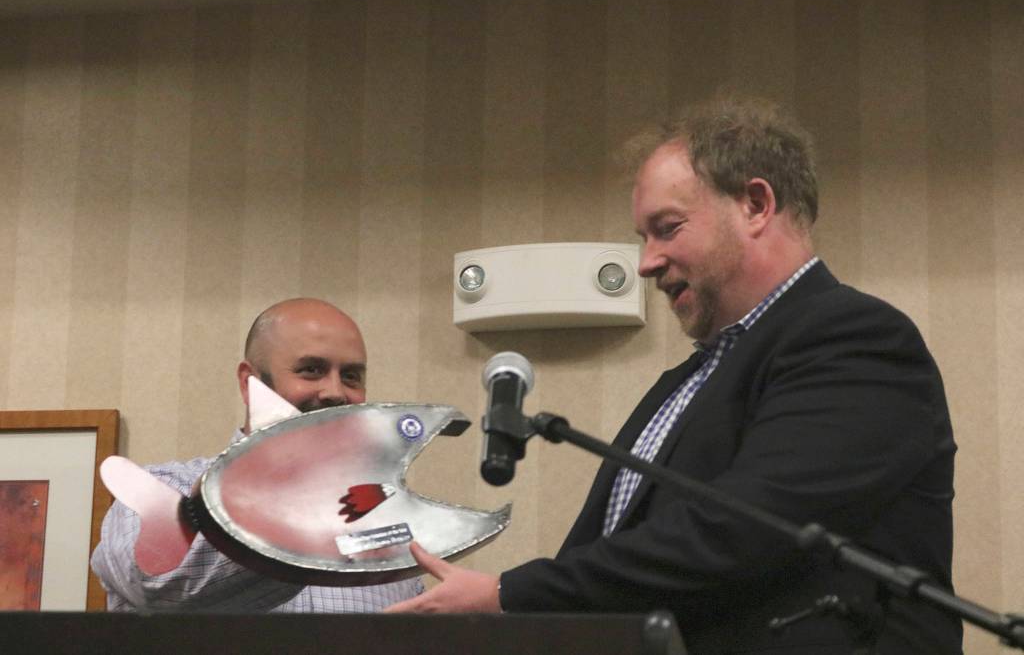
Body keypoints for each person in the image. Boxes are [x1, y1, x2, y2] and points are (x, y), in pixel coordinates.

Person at [387, 98, 963, 653]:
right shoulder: (689, 378)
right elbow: (618, 554)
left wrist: (508, 595)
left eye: (667, 228)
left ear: (756, 204)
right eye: (644, 238)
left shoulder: (854, 338)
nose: (645, 262)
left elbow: (741, 532)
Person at [91, 298, 423, 612]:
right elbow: (159, 587)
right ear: (250, 382)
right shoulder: (163, 487)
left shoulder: (384, 525)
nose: (336, 392)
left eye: (351, 376)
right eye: (311, 369)